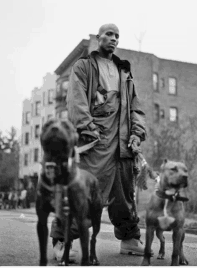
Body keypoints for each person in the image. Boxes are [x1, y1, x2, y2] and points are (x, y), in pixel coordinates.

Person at [50, 23, 146, 261]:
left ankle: (130, 239)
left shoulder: (124, 72)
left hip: (123, 144)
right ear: (98, 38)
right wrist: (87, 127)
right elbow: (76, 99)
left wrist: (137, 133)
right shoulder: (83, 66)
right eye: (109, 34)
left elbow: (136, 108)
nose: (113, 39)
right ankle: (63, 239)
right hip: (96, 142)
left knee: (124, 195)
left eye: (117, 36)